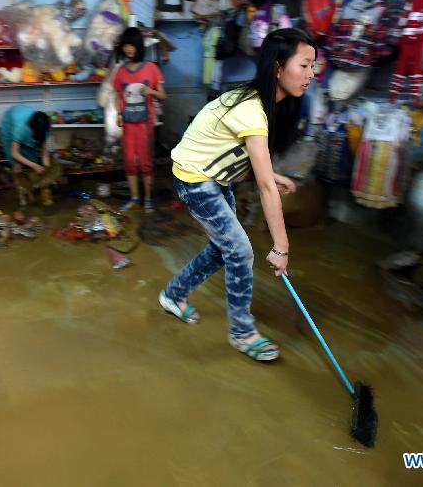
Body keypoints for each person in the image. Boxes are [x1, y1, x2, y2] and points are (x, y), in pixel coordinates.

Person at [159, 28, 316, 362]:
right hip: (194, 179)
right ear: (277, 68)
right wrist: (281, 247)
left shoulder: (266, 103)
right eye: (304, 65)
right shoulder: (251, 108)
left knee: (223, 249)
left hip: (215, 178)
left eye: (312, 66)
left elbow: (242, 155)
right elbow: (263, 189)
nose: (310, 74)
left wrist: (270, 173)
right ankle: (243, 333)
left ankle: (173, 295)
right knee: (241, 252)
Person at [112, 27, 166, 213]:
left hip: (145, 124)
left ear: (139, 46)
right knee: (128, 160)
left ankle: (148, 199)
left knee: (145, 162)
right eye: (125, 45)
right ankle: (134, 198)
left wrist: (150, 91)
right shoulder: (120, 71)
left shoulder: (151, 68)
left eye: (132, 45)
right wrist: (119, 114)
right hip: (127, 124)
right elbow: (118, 95)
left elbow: (163, 95)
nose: (128, 49)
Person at [0, 105, 59, 207]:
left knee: (33, 160)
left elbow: (44, 151)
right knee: (17, 167)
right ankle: (22, 197)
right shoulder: (20, 128)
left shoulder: (45, 127)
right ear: (31, 128)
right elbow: (14, 152)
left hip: (29, 133)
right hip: (9, 127)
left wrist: (46, 168)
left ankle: (30, 191)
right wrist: (34, 166)